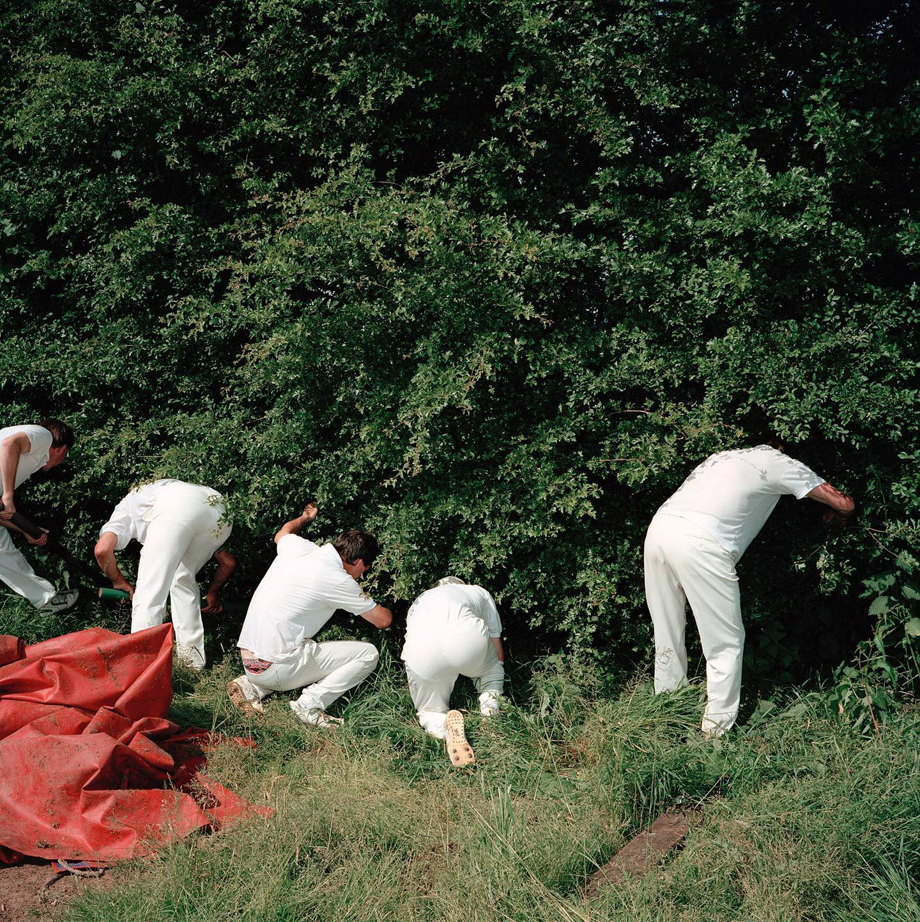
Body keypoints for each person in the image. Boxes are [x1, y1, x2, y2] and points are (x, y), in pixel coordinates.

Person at [644, 441, 855, 737]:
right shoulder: (777, 462)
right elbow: (843, 502)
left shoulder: (720, 456)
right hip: (702, 541)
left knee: (667, 629)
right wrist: (843, 513)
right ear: (784, 446)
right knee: (726, 643)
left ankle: (664, 717)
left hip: (659, 529)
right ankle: (714, 734)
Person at [227, 504, 392, 728]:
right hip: (275, 668)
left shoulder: (299, 547)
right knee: (368, 654)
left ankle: (252, 686)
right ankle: (309, 705)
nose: (362, 574)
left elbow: (282, 533)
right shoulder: (338, 580)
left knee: (294, 643)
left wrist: (305, 518)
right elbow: (383, 621)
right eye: (366, 569)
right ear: (360, 562)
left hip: (250, 661)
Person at [94, 479, 235, 670]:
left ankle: (141, 668)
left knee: (149, 592)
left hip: (178, 506)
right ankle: (193, 665)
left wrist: (118, 581)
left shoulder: (124, 510)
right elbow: (228, 562)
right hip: (219, 508)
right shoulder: (153, 495)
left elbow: (102, 550)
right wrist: (213, 593)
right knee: (182, 580)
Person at [401, 577, 505, 741]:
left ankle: (444, 730)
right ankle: (490, 708)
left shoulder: (420, 600)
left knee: (430, 711)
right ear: (461, 584)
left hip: (423, 649)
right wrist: (494, 669)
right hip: (466, 638)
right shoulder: (477, 591)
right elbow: (495, 641)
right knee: (492, 671)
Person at [0, 419, 78, 613]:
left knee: (2, 551)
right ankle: (47, 599)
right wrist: (8, 495)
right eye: (66, 455)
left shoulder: (26, 461)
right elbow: (9, 444)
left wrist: (25, 531)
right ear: (62, 448)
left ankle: (47, 600)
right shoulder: (44, 436)